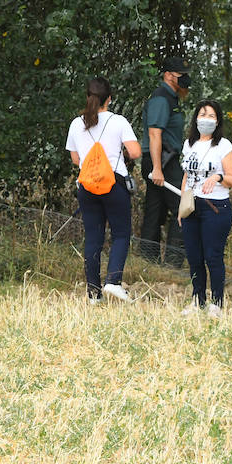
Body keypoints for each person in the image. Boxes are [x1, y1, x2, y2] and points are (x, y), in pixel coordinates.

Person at [66, 77, 142, 303]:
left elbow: (75, 158)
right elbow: (135, 152)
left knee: (93, 237)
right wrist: (122, 153)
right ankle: (113, 282)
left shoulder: (76, 123)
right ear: (109, 98)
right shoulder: (118, 122)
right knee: (120, 233)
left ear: (88, 97)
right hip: (113, 184)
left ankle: (93, 293)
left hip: (87, 185)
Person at [178, 100, 232, 317]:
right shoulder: (189, 144)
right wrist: (181, 206)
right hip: (192, 206)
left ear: (218, 120)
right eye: (203, 114)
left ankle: (217, 302)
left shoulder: (224, 146)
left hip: (215, 207)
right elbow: (187, 175)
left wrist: (219, 177)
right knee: (194, 257)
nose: (206, 119)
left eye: (212, 116)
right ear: (195, 118)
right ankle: (197, 300)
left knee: (213, 256)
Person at [139, 57, 192, 265]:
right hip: (161, 161)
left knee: (156, 207)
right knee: (183, 205)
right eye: (181, 75)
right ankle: (173, 262)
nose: (186, 79)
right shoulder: (161, 98)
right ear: (168, 75)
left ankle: (148, 260)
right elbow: (154, 134)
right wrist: (157, 168)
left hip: (164, 160)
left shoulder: (171, 97)